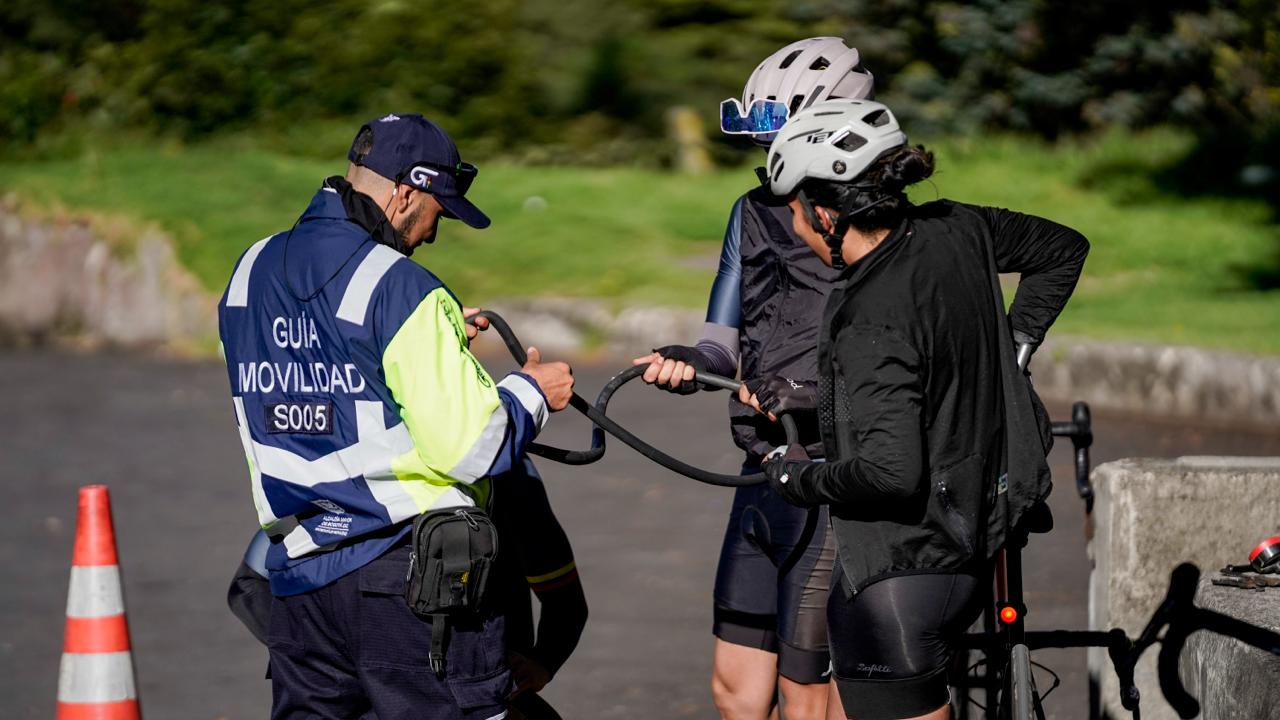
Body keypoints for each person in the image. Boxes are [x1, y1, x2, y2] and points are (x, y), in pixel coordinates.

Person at [217, 112, 575, 720]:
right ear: (407, 192)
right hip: (411, 584)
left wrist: (415, 349)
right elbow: (470, 446)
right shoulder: (404, 288)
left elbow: (311, 374)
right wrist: (530, 392)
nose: (435, 233)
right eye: (440, 211)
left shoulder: (249, 272)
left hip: (301, 580)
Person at [739, 98, 1088, 720]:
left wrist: (797, 476)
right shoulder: (957, 228)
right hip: (978, 535)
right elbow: (1063, 247)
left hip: (898, 578)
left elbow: (887, 473)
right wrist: (1013, 347)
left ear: (826, 213)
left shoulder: (868, 317)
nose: (794, 228)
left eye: (795, 212)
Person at [633, 37, 874, 720]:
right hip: (762, 471)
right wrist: (689, 362)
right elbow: (719, 343)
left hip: (834, 480)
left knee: (810, 701)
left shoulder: (871, 223)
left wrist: (812, 395)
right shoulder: (749, 212)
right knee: (737, 692)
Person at [227, 462, 587, 720]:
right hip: (347, 685)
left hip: (472, 683)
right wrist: (335, 649)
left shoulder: (508, 476)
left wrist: (542, 661)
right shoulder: (353, 464)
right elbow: (248, 585)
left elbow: (564, 598)